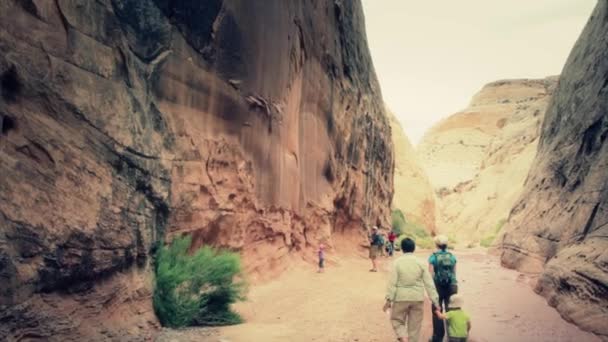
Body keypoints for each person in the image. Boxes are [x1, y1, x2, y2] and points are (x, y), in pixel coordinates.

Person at [384, 237, 440, 342]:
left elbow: (392, 284)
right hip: (417, 299)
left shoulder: (397, 263)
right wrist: (435, 301)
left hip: (401, 298)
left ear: (402, 248)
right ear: (413, 248)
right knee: (415, 329)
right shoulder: (421, 263)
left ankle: (404, 339)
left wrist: (388, 300)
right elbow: (429, 284)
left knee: (397, 320)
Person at [429, 235, 458, 342]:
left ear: (436, 244)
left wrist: (431, 289)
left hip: (438, 286)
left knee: (437, 310)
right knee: (452, 310)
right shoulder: (452, 256)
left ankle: (437, 337)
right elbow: (454, 274)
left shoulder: (433, 257)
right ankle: (454, 336)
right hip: (452, 286)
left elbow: (430, 275)